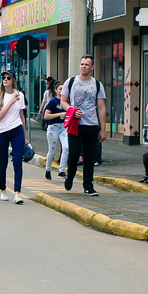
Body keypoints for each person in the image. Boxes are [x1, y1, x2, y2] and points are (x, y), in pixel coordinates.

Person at [59, 55, 107, 197]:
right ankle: (70, 176)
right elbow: (63, 101)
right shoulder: (71, 82)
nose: (83, 66)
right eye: (82, 64)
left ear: (92, 67)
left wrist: (103, 129)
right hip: (75, 124)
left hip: (91, 125)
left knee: (89, 156)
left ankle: (88, 186)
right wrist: (72, 110)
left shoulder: (97, 84)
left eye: (86, 64)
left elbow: (101, 107)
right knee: (73, 154)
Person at [0, 70, 28, 204]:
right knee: (3, 163)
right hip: (2, 132)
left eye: (8, 77)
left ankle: (17, 193)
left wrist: (25, 136)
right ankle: (3, 190)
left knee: (17, 162)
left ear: (13, 80)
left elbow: (22, 116)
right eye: (4, 78)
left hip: (17, 130)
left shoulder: (20, 95)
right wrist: (11, 102)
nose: (5, 80)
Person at [42, 81, 66, 180]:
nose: (62, 91)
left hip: (64, 127)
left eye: (64, 89)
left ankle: (61, 171)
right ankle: (48, 169)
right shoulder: (53, 101)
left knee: (66, 147)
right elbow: (46, 116)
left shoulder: (67, 102)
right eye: (60, 89)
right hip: (53, 127)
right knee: (52, 150)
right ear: (56, 90)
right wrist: (59, 114)